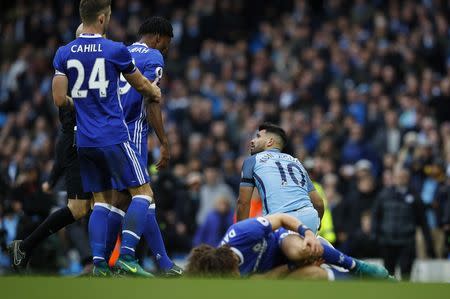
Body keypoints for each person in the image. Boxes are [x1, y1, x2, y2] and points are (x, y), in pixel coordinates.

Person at [52, 0, 161, 277]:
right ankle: (126, 256)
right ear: (102, 18)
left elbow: (58, 99)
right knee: (143, 194)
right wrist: (154, 92)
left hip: (84, 140)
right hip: (113, 135)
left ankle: (99, 264)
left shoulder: (64, 52)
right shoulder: (115, 49)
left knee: (100, 201)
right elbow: (139, 84)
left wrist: (82, 105)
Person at [7, 25, 98, 274]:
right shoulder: (70, 67)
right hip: (78, 142)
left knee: (109, 200)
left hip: (89, 142)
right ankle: (25, 246)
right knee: (81, 208)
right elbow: (63, 111)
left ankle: (104, 263)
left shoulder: (83, 67)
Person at [106, 16, 182, 276]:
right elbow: (151, 101)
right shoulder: (153, 57)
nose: (166, 50)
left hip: (108, 131)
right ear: (159, 38)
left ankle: (102, 264)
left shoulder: (121, 52)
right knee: (144, 196)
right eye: (167, 44)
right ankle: (145, 260)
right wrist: (164, 141)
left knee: (118, 199)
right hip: (133, 131)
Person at [185, 213, 390, 279]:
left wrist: (307, 233)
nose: (235, 277)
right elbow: (268, 278)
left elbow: (282, 219)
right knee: (317, 277)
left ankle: (358, 267)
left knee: (301, 250)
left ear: (229, 262)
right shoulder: (227, 277)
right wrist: (296, 267)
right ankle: (351, 284)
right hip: (278, 269)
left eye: (233, 273)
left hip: (281, 241)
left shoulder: (242, 233)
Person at [236, 123, 324, 233]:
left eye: (258, 136)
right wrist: (317, 223)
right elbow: (319, 202)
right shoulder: (296, 162)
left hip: (281, 222)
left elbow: (243, 203)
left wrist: (240, 232)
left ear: (270, 142)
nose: (252, 140)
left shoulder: (252, 160)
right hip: (310, 218)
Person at [372, 166, 435, 279]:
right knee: (388, 273)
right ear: (394, 178)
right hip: (388, 240)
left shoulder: (415, 197)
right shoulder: (384, 195)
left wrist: (428, 242)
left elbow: (423, 221)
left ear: (408, 178)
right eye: (398, 176)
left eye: (404, 176)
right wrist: (374, 235)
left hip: (407, 241)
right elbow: (376, 216)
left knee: (406, 273)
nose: (401, 179)